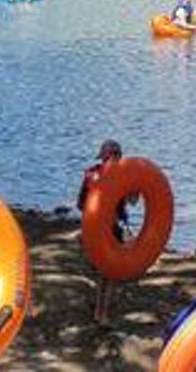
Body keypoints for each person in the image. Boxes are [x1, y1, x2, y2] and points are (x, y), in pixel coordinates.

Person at [77, 139, 132, 325]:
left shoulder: (92, 174)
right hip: (107, 228)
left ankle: (100, 312)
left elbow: (80, 204)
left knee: (105, 272)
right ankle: (103, 313)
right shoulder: (118, 175)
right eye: (113, 156)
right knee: (108, 273)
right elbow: (131, 201)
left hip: (97, 229)